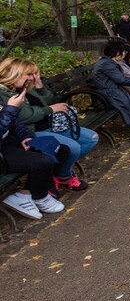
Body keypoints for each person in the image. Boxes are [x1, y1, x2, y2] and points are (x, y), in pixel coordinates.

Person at [0, 58, 97, 193]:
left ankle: (57, 172)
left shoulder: (26, 87)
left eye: (34, 74)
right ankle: (64, 176)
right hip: (33, 130)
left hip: (52, 124)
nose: (32, 77)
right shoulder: (4, 94)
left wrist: (40, 87)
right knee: (72, 148)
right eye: (29, 74)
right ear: (14, 74)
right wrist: (50, 109)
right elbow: (23, 116)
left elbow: (50, 100)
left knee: (91, 138)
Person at [1, 85, 68, 220]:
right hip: (2, 155)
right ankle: (40, 196)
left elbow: (14, 124)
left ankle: (25, 194)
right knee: (42, 161)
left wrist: (25, 136)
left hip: (9, 143)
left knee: (60, 150)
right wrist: (11, 109)